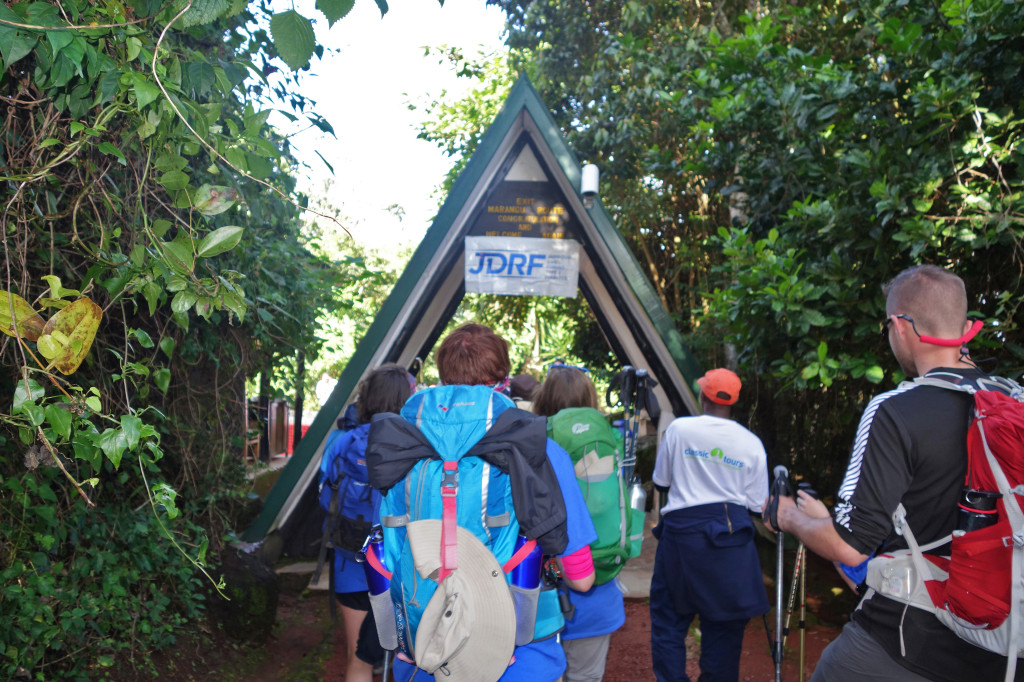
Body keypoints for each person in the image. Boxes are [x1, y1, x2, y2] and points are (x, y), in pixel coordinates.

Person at [767, 264, 1017, 681]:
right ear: (964, 327)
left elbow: (850, 547)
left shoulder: (894, 409)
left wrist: (788, 516)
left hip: (912, 641)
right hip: (1005, 647)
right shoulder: (1012, 401)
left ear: (901, 327)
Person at [382, 323, 597, 682]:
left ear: (443, 376)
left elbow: (390, 544)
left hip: (425, 644)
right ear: (504, 375)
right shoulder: (538, 447)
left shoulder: (402, 446)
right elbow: (582, 577)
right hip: (520, 653)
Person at [649, 367, 770, 682]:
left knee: (668, 622)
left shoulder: (680, 429)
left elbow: (661, 481)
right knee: (725, 628)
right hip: (730, 539)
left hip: (682, 537)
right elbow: (758, 504)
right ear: (733, 404)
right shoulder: (751, 442)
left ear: (703, 395)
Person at [320, 364, 414, 682]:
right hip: (398, 565)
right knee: (410, 655)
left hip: (350, 562)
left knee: (357, 657)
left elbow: (325, 498)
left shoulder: (343, 442)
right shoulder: (415, 446)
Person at [531, 364, 626, 682]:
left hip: (539, 599)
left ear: (543, 401)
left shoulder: (530, 445)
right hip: (599, 592)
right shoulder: (609, 439)